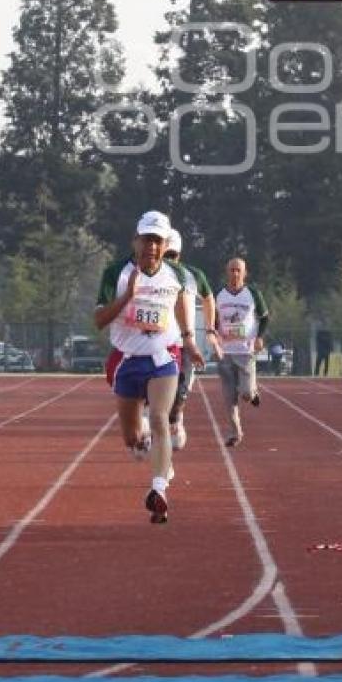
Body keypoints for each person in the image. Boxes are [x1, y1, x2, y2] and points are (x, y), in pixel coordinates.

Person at [94, 210, 204, 524]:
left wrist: (190, 341)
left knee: (160, 419)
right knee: (132, 439)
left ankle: (159, 491)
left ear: (164, 243)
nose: (151, 247)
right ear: (135, 241)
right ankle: (144, 439)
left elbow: (182, 309)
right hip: (127, 359)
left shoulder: (177, 275)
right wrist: (127, 295)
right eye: (146, 240)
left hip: (162, 357)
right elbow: (99, 321)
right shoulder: (116, 272)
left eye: (157, 241)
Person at [164, 228, 219, 450]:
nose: (170, 260)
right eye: (166, 255)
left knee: (182, 391)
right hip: (160, 343)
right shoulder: (149, 274)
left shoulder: (192, 275)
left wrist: (210, 329)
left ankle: (176, 418)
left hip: (185, 343)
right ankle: (159, 423)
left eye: (172, 255)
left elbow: (208, 298)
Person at [215, 256, 269, 447]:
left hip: (246, 352)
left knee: (245, 393)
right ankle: (235, 433)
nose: (235, 273)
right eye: (232, 270)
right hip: (225, 352)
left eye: (239, 270)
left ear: (245, 273)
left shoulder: (252, 293)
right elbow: (212, 321)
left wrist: (260, 337)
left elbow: (264, 317)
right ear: (226, 272)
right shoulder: (218, 294)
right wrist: (214, 340)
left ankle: (252, 393)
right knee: (229, 398)